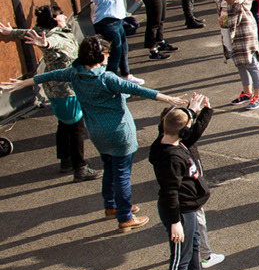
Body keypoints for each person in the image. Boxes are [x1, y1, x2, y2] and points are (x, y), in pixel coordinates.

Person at [2, 35, 189, 231]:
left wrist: (23, 83)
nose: (108, 58)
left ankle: (111, 206)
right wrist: (169, 99)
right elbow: (136, 89)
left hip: (97, 133)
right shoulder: (106, 78)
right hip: (119, 133)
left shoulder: (74, 73)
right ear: (101, 56)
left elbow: (49, 75)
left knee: (109, 167)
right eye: (107, 54)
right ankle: (125, 216)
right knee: (122, 174)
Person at [0, 7, 98, 180]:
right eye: (60, 14)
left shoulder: (45, 31)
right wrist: (44, 44)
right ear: (53, 19)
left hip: (55, 90)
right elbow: (52, 43)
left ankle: (66, 161)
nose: (64, 15)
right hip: (67, 91)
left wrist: (10, 32)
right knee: (76, 128)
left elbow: (27, 32)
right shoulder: (52, 36)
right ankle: (80, 167)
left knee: (65, 124)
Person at [150, 92, 220, 270]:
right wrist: (174, 223)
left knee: (194, 245)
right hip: (179, 212)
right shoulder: (170, 157)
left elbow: (188, 128)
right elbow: (170, 193)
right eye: (187, 124)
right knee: (180, 256)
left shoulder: (169, 139)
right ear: (182, 131)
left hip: (188, 208)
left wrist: (196, 111)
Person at [170, 0, 259, 109]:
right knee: (239, 62)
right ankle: (247, 92)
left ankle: (258, 95)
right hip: (228, 31)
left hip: (244, 31)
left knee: (251, 62)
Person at [85, 0, 137, 82]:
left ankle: (126, 76)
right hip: (107, 24)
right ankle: (110, 81)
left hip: (118, 22)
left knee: (123, 49)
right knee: (114, 53)